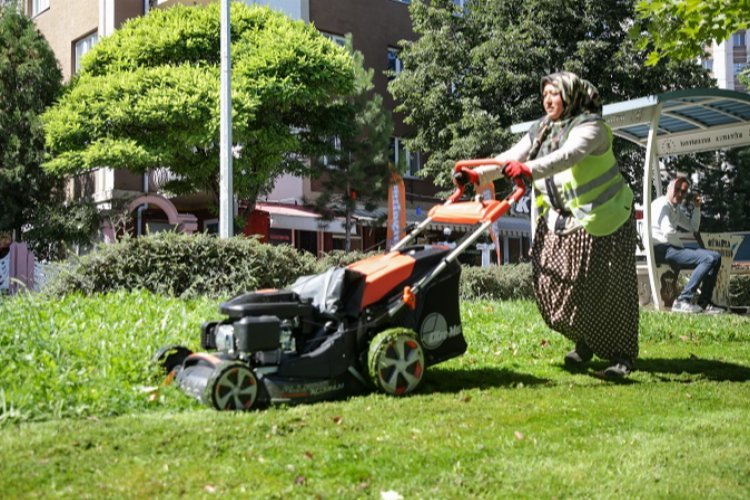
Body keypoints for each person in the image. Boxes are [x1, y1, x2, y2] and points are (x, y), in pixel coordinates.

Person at [454, 71, 639, 379]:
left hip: (605, 219)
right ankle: (585, 338)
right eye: (545, 95)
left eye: (555, 94)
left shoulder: (592, 128)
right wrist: (479, 175)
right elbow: (513, 156)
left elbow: (567, 156)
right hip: (561, 219)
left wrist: (526, 169)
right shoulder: (542, 128)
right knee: (553, 286)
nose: (548, 100)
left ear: (571, 96)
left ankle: (621, 355)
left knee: (606, 289)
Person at [650, 177, 724, 314]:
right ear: (668, 188)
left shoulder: (675, 209)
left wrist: (696, 208)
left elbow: (692, 227)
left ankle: (704, 304)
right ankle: (683, 300)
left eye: (683, 192)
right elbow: (668, 232)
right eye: (676, 189)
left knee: (715, 257)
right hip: (661, 249)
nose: (679, 194)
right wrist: (683, 249)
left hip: (670, 249)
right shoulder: (662, 205)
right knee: (708, 258)